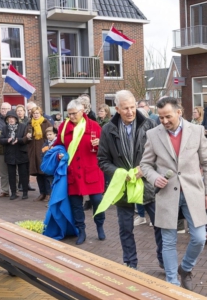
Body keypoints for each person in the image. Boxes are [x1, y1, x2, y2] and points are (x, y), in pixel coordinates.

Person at [140, 97, 207, 289]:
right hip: (166, 194)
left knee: (199, 238)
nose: (164, 121)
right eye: (161, 117)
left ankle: (186, 268)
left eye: (168, 117)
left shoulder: (196, 131)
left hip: (194, 193)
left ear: (179, 112)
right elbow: (145, 164)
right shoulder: (153, 134)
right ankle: (172, 283)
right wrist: (155, 177)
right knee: (168, 241)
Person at [97, 90, 163, 269]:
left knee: (159, 224)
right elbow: (102, 160)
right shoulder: (108, 130)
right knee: (125, 228)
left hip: (147, 183)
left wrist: (147, 169)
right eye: (125, 108)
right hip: (123, 185)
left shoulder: (150, 125)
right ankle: (130, 262)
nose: (130, 112)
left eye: (133, 107)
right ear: (117, 108)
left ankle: (163, 259)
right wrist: (120, 173)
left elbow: (161, 155)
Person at [56, 100, 105, 245]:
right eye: (69, 113)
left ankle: (100, 225)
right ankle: (81, 230)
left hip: (91, 170)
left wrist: (99, 144)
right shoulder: (64, 127)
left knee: (97, 201)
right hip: (73, 172)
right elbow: (58, 145)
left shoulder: (94, 126)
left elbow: (105, 150)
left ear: (82, 111)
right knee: (76, 205)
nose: (71, 116)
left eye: (74, 113)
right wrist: (59, 153)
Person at [25, 107, 54, 201]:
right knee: (38, 174)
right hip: (33, 153)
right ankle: (42, 193)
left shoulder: (46, 123)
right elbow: (24, 139)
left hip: (44, 152)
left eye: (37, 113)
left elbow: (51, 137)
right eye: (34, 113)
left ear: (41, 114)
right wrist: (27, 137)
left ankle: (48, 194)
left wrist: (47, 149)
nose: (35, 115)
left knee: (45, 173)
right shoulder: (29, 124)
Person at [0, 112, 30, 200]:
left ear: (16, 119)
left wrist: (19, 140)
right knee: (11, 175)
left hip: (21, 153)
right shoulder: (5, 128)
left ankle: (25, 192)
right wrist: (7, 140)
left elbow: (26, 139)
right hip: (10, 154)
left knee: (23, 174)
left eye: (13, 118)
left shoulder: (23, 126)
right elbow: (0, 139)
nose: (11, 120)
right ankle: (13, 192)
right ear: (7, 120)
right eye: (9, 118)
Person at [0, 103, 12, 197]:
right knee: (3, 172)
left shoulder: (14, 119)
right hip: (1, 150)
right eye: (2, 108)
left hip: (13, 150)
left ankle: (14, 189)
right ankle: (5, 190)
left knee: (14, 172)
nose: (4, 110)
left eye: (7, 108)